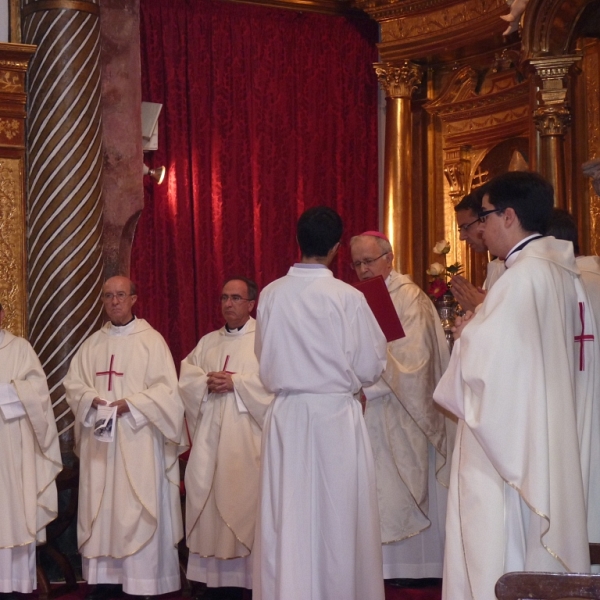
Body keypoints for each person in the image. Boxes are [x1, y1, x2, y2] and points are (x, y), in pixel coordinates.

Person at [434, 172, 593, 600]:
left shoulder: (521, 279)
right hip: (541, 433)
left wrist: (468, 333)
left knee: (500, 543)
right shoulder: (562, 274)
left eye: (485, 216)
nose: (481, 228)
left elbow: (486, 371)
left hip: (505, 450)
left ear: (509, 215)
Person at [253, 206, 388, 600]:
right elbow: (370, 363)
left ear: (299, 241)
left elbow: (262, 356)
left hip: (288, 415)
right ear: (336, 247)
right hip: (334, 416)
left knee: (288, 514)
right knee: (338, 515)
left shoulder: (272, 294)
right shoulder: (348, 297)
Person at [64, 276, 186, 600]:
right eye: (108, 296)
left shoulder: (152, 341)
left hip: (138, 443)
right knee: (102, 510)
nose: (114, 301)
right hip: (101, 448)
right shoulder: (92, 345)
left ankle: (141, 583)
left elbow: (168, 394)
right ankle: (104, 583)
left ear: (134, 298)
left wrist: (130, 404)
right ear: (102, 301)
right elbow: (73, 384)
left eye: (120, 295)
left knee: (136, 506)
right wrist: (90, 398)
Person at [349, 231, 452, 581]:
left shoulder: (409, 298)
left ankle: (414, 569)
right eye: (357, 263)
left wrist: (367, 381)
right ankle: (381, 570)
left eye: (369, 261)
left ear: (389, 258)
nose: (363, 270)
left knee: (400, 486)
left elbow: (415, 360)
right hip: (370, 410)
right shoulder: (357, 299)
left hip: (402, 410)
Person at [179, 276, 274, 597]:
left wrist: (237, 383)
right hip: (209, 443)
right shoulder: (208, 342)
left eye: (236, 298)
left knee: (244, 503)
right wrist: (206, 382)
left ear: (251, 304)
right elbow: (186, 377)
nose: (228, 304)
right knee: (208, 502)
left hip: (247, 444)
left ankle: (247, 582)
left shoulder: (265, 338)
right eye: (224, 298)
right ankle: (213, 581)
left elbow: (276, 383)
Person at [0, 303, 62, 595]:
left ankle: (13, 586)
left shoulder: (20, 349)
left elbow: (38, 393)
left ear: (2, 315)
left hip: (12, 449)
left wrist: (4, 391)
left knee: (13, 513)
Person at [452, 188, 505, 312]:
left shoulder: (517, 265)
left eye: (466, 227)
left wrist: (479, 307)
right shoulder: (496, 264)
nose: (462, 237)